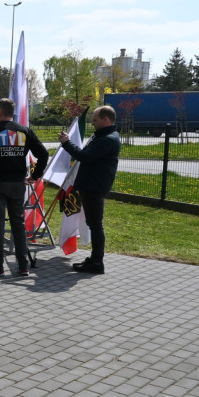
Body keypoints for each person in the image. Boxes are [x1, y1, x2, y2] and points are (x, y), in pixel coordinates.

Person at [0, 98, 49, 276]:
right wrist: (35, 176)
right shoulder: (24, 130)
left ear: (0, 111)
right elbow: (44, 154)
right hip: (18, 184)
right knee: (19, 224)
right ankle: (23, 265)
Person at [58, 105, 121, 274]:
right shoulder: (103, 136)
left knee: (95, 225)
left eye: (95, 120)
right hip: (91, 184)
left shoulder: (108, 139)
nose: (92, 123)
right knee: (93, 223)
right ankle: (94, 259)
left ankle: (96, 262)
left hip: (95, 186)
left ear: (105, 119)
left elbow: (85, 156)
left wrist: (66, 143)